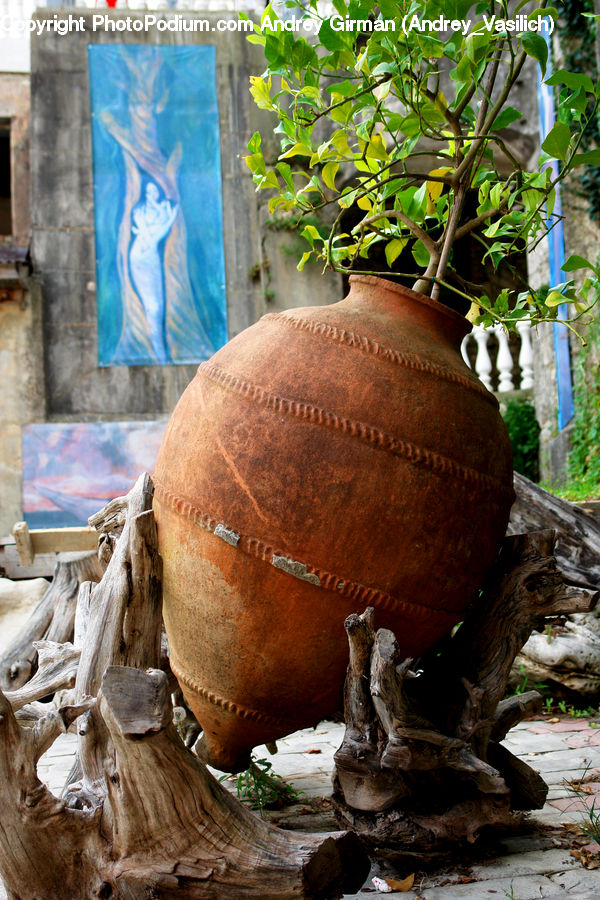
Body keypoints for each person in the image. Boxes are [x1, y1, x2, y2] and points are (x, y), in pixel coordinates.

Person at [129, 180, 178, 364]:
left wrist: (171, 216)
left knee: (158, 306)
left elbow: (157, 234)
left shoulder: (165, 209)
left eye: (154, 190)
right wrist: (170, 218)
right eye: (148, 191)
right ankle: (160, 355)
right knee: (153, 307)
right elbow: (154, 234)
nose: (151, 194)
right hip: (139, 259)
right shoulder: (140, 211)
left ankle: (161, 353)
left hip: (152, 259)